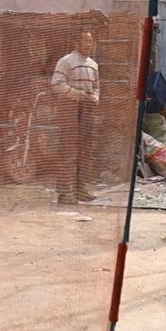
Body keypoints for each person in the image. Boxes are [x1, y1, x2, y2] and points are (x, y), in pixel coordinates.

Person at [49, 31, 100, 204]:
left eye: (91, 41)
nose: (89, 44)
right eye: (85, 41)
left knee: (85, 149)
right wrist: (77, 94)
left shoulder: (93, 64)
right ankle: (65, 192)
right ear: (76, 42)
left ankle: (81, 189)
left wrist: (95, 97)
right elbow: (56, 84)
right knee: (68, 150)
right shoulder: (66, 61)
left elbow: (97, 86)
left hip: (87, 109)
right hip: (70, 108)